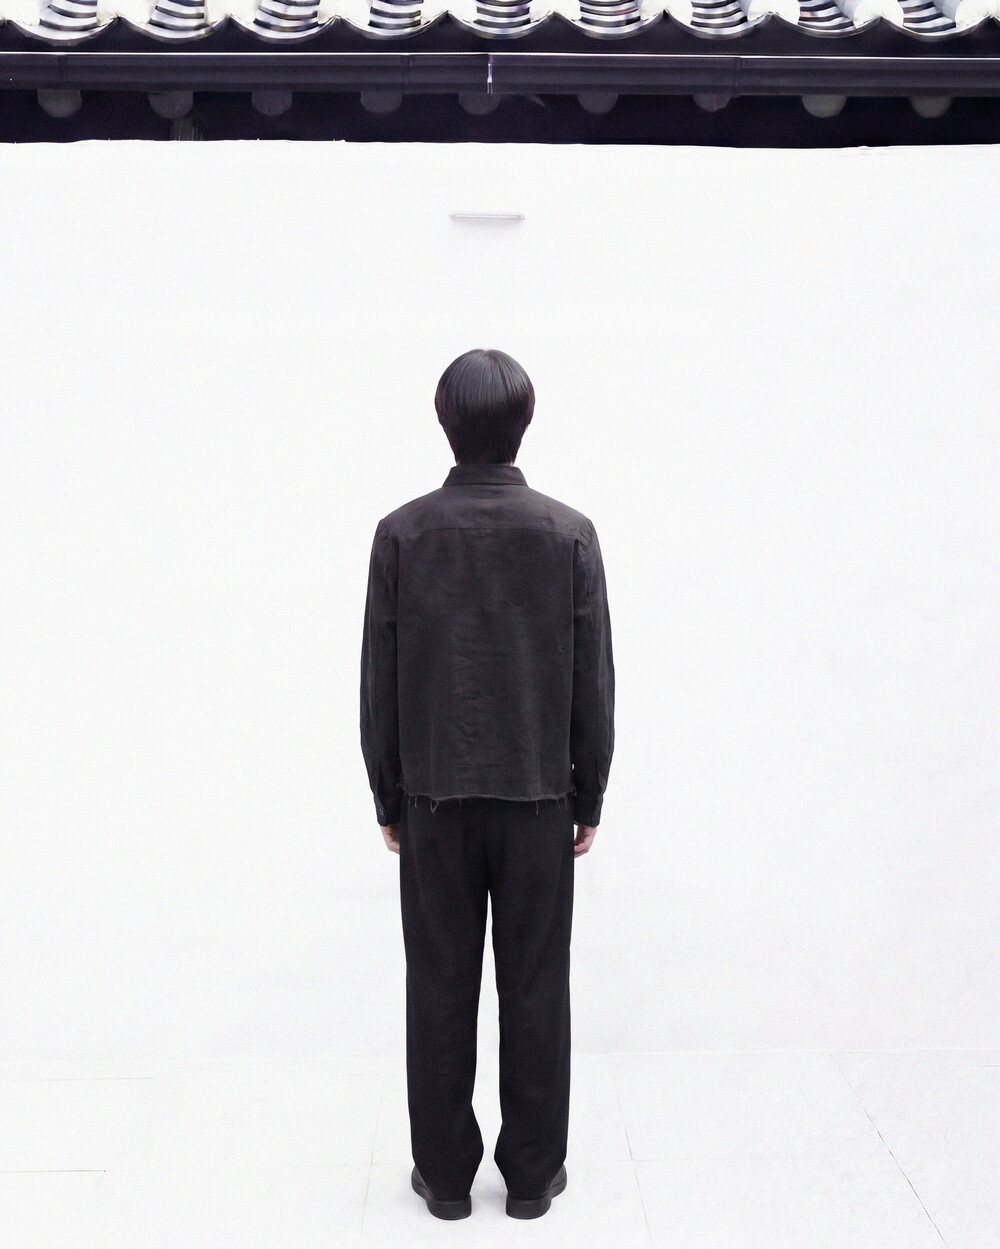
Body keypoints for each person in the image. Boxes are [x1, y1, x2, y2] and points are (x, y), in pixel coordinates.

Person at [359, 348, 615, 1221]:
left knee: (438, 985)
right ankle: (534, 1177)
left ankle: (444, 1179)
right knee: (536, 985)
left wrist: (388, 793)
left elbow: (380, 675)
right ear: (523, 422)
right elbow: (592, 675)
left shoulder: (401, 534)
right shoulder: (568, 532)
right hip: (539, 798)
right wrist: (589, 792)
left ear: (446, 422)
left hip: (434, 800)